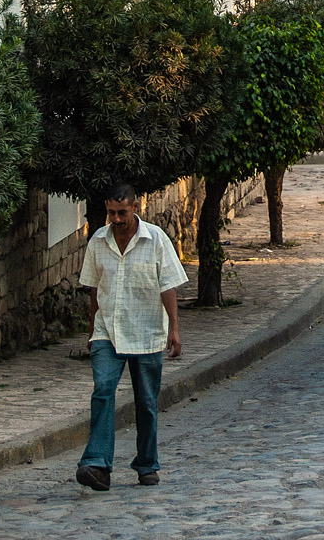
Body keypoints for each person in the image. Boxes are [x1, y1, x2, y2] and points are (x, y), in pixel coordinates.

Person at [75, 183, 188, 491]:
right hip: (107, 332)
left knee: (146, 402)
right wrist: (92, 331)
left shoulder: (156, 240)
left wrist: (174, 330)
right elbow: (95, 290)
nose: (116, 218)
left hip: (147, 331)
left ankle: (147, 464)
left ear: (136, 207)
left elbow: (168, 286)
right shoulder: (98, 241)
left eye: (122, 212)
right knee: (103, 391)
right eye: (111, 212)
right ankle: (97, 465)